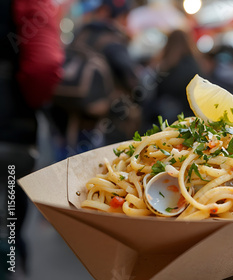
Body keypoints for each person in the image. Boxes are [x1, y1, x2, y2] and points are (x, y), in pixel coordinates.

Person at [0, 0, 63, 278]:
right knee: (8, 221)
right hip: (10, 131)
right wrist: (27, 102)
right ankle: (11, 263)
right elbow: (44, 65)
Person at [51, 0, 142, 156]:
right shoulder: (113, 40)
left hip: (65, 111)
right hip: (97, 119)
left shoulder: (82, 33)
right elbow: (132, 79)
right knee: (92, 166)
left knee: (64, 162)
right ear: (121, 16)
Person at [141, 29, 204, 129]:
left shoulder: (166, 66)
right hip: (189, 116)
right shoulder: (195, 64)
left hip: (165, 118)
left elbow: (157, 90)